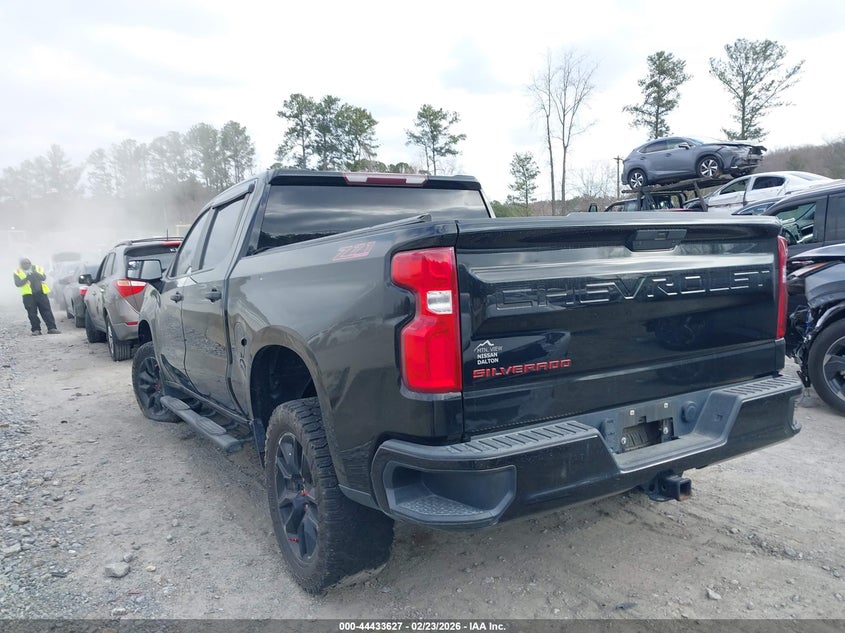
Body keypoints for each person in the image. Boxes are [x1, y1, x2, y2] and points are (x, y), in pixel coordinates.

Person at [13, 258, 60, 335]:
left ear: (30, 263)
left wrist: (35, 274)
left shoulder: (38, 268)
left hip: (41, 293)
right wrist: (27, 278)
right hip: (28, 295)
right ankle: (36, 330)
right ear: (21, 265)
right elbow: (18, 284)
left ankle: (52, 328)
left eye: (27, 263)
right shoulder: (17, 272)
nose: (26, 265)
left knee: (46, 311)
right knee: (32, 313)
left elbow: (43, 277)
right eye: (24, 264)